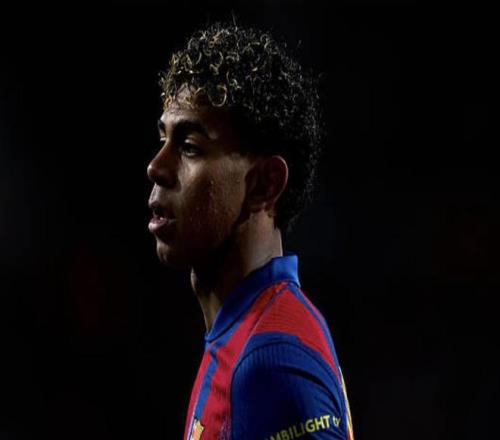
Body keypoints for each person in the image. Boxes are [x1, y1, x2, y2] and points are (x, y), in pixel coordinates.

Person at [146, 21, 354, 440]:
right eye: (164, 139)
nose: (156, 167)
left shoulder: (271, 362)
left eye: (190, 148)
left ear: (264, 185)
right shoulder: (239, 335)